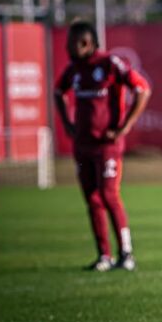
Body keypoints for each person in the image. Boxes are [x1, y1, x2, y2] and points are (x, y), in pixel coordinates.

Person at [54, 20, 151, 272]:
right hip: (82, 145)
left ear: (86, 43)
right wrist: (67, 123)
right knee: (92, 199)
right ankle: (103, 256)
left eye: (71, 43)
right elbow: (58, 92)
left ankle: (126, 253)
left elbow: (142, 89)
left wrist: (124, 126)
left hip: (107, 145)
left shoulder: (109, 63)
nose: (67, 48)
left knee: (109, 195)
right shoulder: (74, 69)